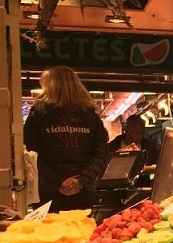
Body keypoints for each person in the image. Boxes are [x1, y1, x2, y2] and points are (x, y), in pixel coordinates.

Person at [23, 66, 109, 211]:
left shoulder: (37, 115)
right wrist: (80, 181)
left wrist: (57, 183)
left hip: (48, 194)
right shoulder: (91, 116)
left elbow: (31, 155)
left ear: (49, 86)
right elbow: (101, 154)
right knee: (82, 231)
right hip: (82, 191)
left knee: (47, 232)